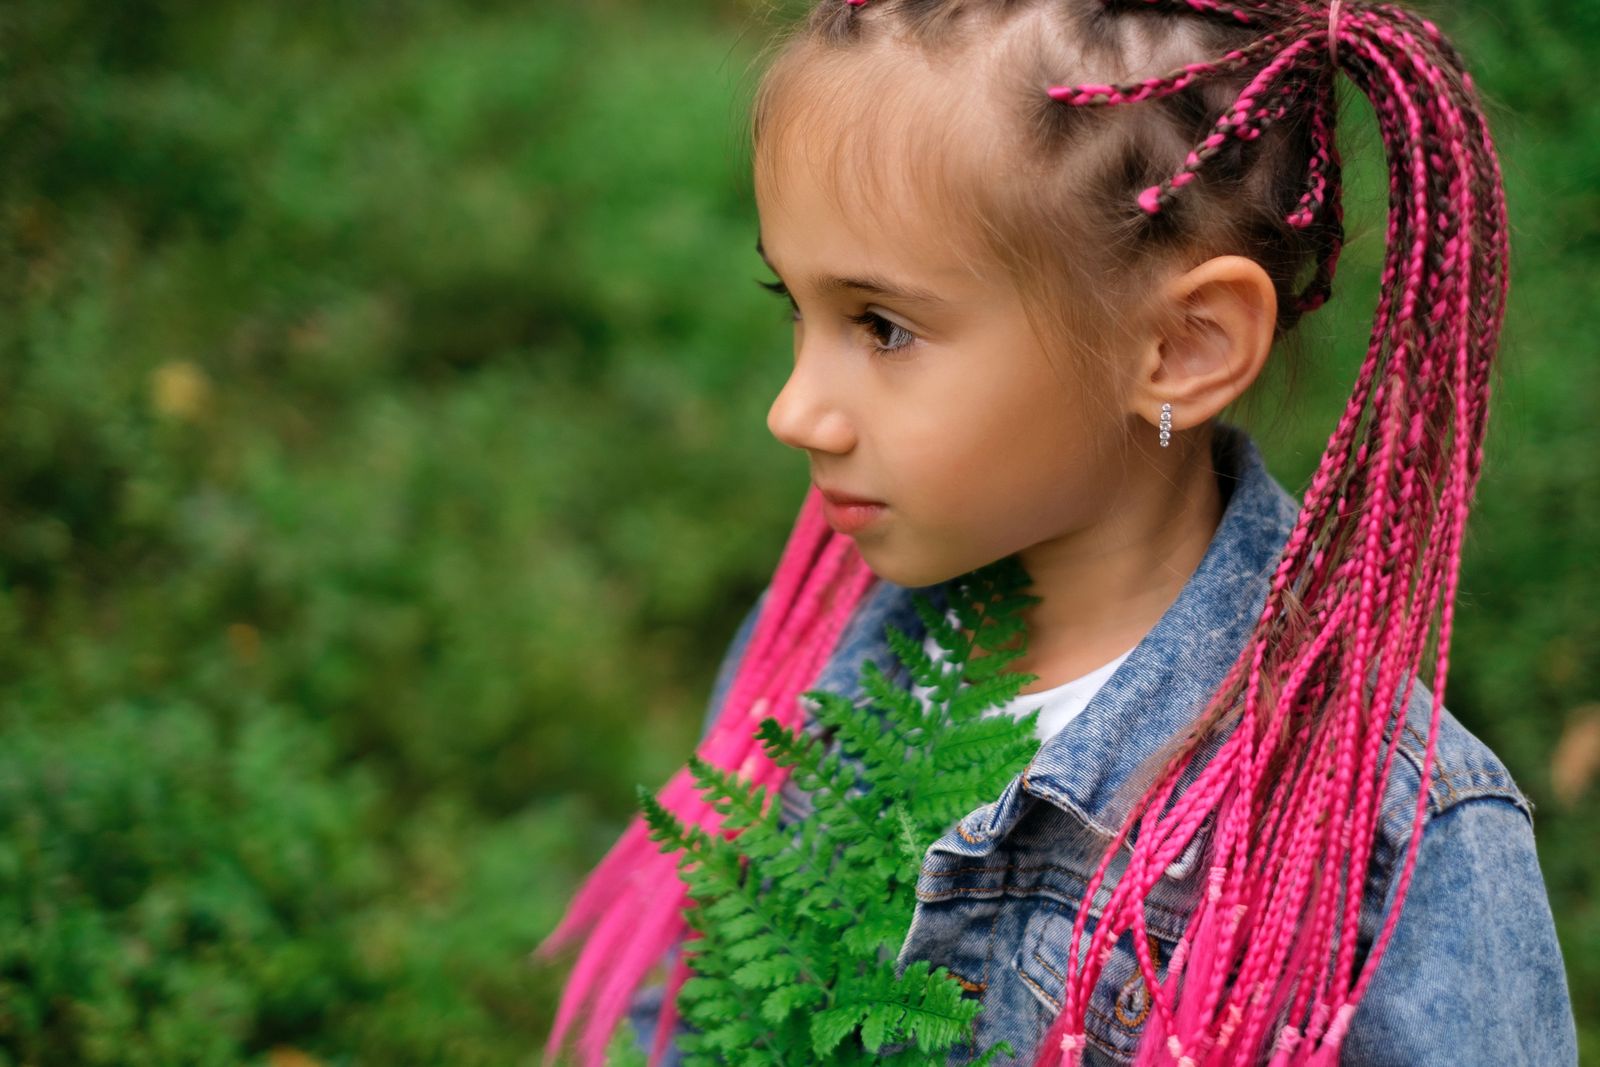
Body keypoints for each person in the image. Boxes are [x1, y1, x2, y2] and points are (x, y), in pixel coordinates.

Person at [537, 0, 1579, 1064]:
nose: (793, 409)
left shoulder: (1390, 842)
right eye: (791, 305)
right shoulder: (808, 653)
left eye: (882, 327)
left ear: (1181, 346)